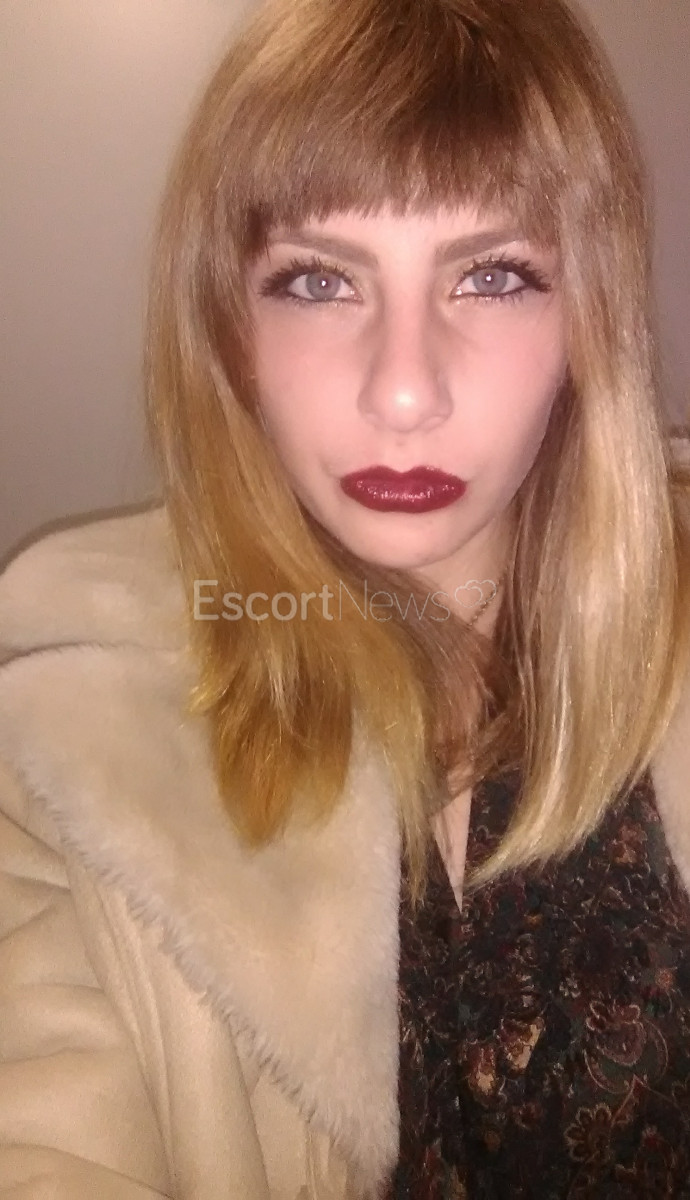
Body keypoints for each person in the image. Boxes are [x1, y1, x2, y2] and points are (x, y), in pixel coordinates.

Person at [1, 0, 689, 1194]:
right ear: (229, 325)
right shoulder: (71, 719)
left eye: (492, 276)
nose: (405, 391)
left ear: (590, 318)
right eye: (320, 281)